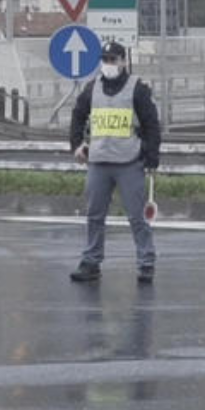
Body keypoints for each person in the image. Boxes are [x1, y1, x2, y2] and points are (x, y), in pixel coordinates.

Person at [68, 41, 162, 284]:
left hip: (128, 161)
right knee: (94, 215)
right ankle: (91, 261)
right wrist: (77, 145)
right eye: (105, 59)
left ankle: (146, 263)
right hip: (99, 160)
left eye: (113, 60)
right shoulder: (92, 88)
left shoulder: (137, 89)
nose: (108, 64)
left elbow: (152, 124)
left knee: (137, 217)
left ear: (123, 61)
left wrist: (152, 158)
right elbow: (77, 116)